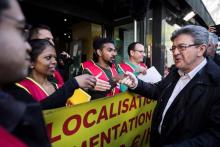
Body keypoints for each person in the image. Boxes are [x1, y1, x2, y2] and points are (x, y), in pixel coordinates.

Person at [0, 0, 97, 146]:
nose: (53, 61)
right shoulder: (19, 89)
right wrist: (73, 84)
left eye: (52, 40)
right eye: (20, 31)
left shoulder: (54, 81)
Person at [120, 25, 220, 146]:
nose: (175, 52)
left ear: (201, 49)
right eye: (173, 48)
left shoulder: (216, 82)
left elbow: (215, 135)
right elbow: (158, 90)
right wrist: (136, 84)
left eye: (182, 47)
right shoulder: (175, 72)